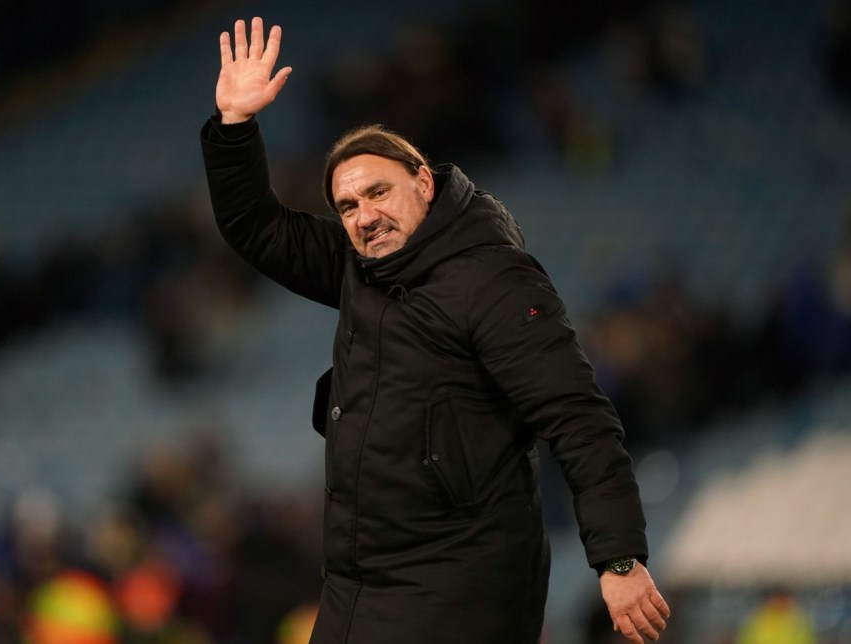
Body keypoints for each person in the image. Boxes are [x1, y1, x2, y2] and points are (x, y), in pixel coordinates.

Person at [200, 17, 670, 643]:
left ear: (424, 182)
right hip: (357, 579)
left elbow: (577, 416)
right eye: (347, 206)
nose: (365, 218)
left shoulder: (493, 279)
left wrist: (618, 558)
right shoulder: (356, 266)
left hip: (462, 581)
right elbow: (256, 228)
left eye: (378, 193)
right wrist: (235, 128)